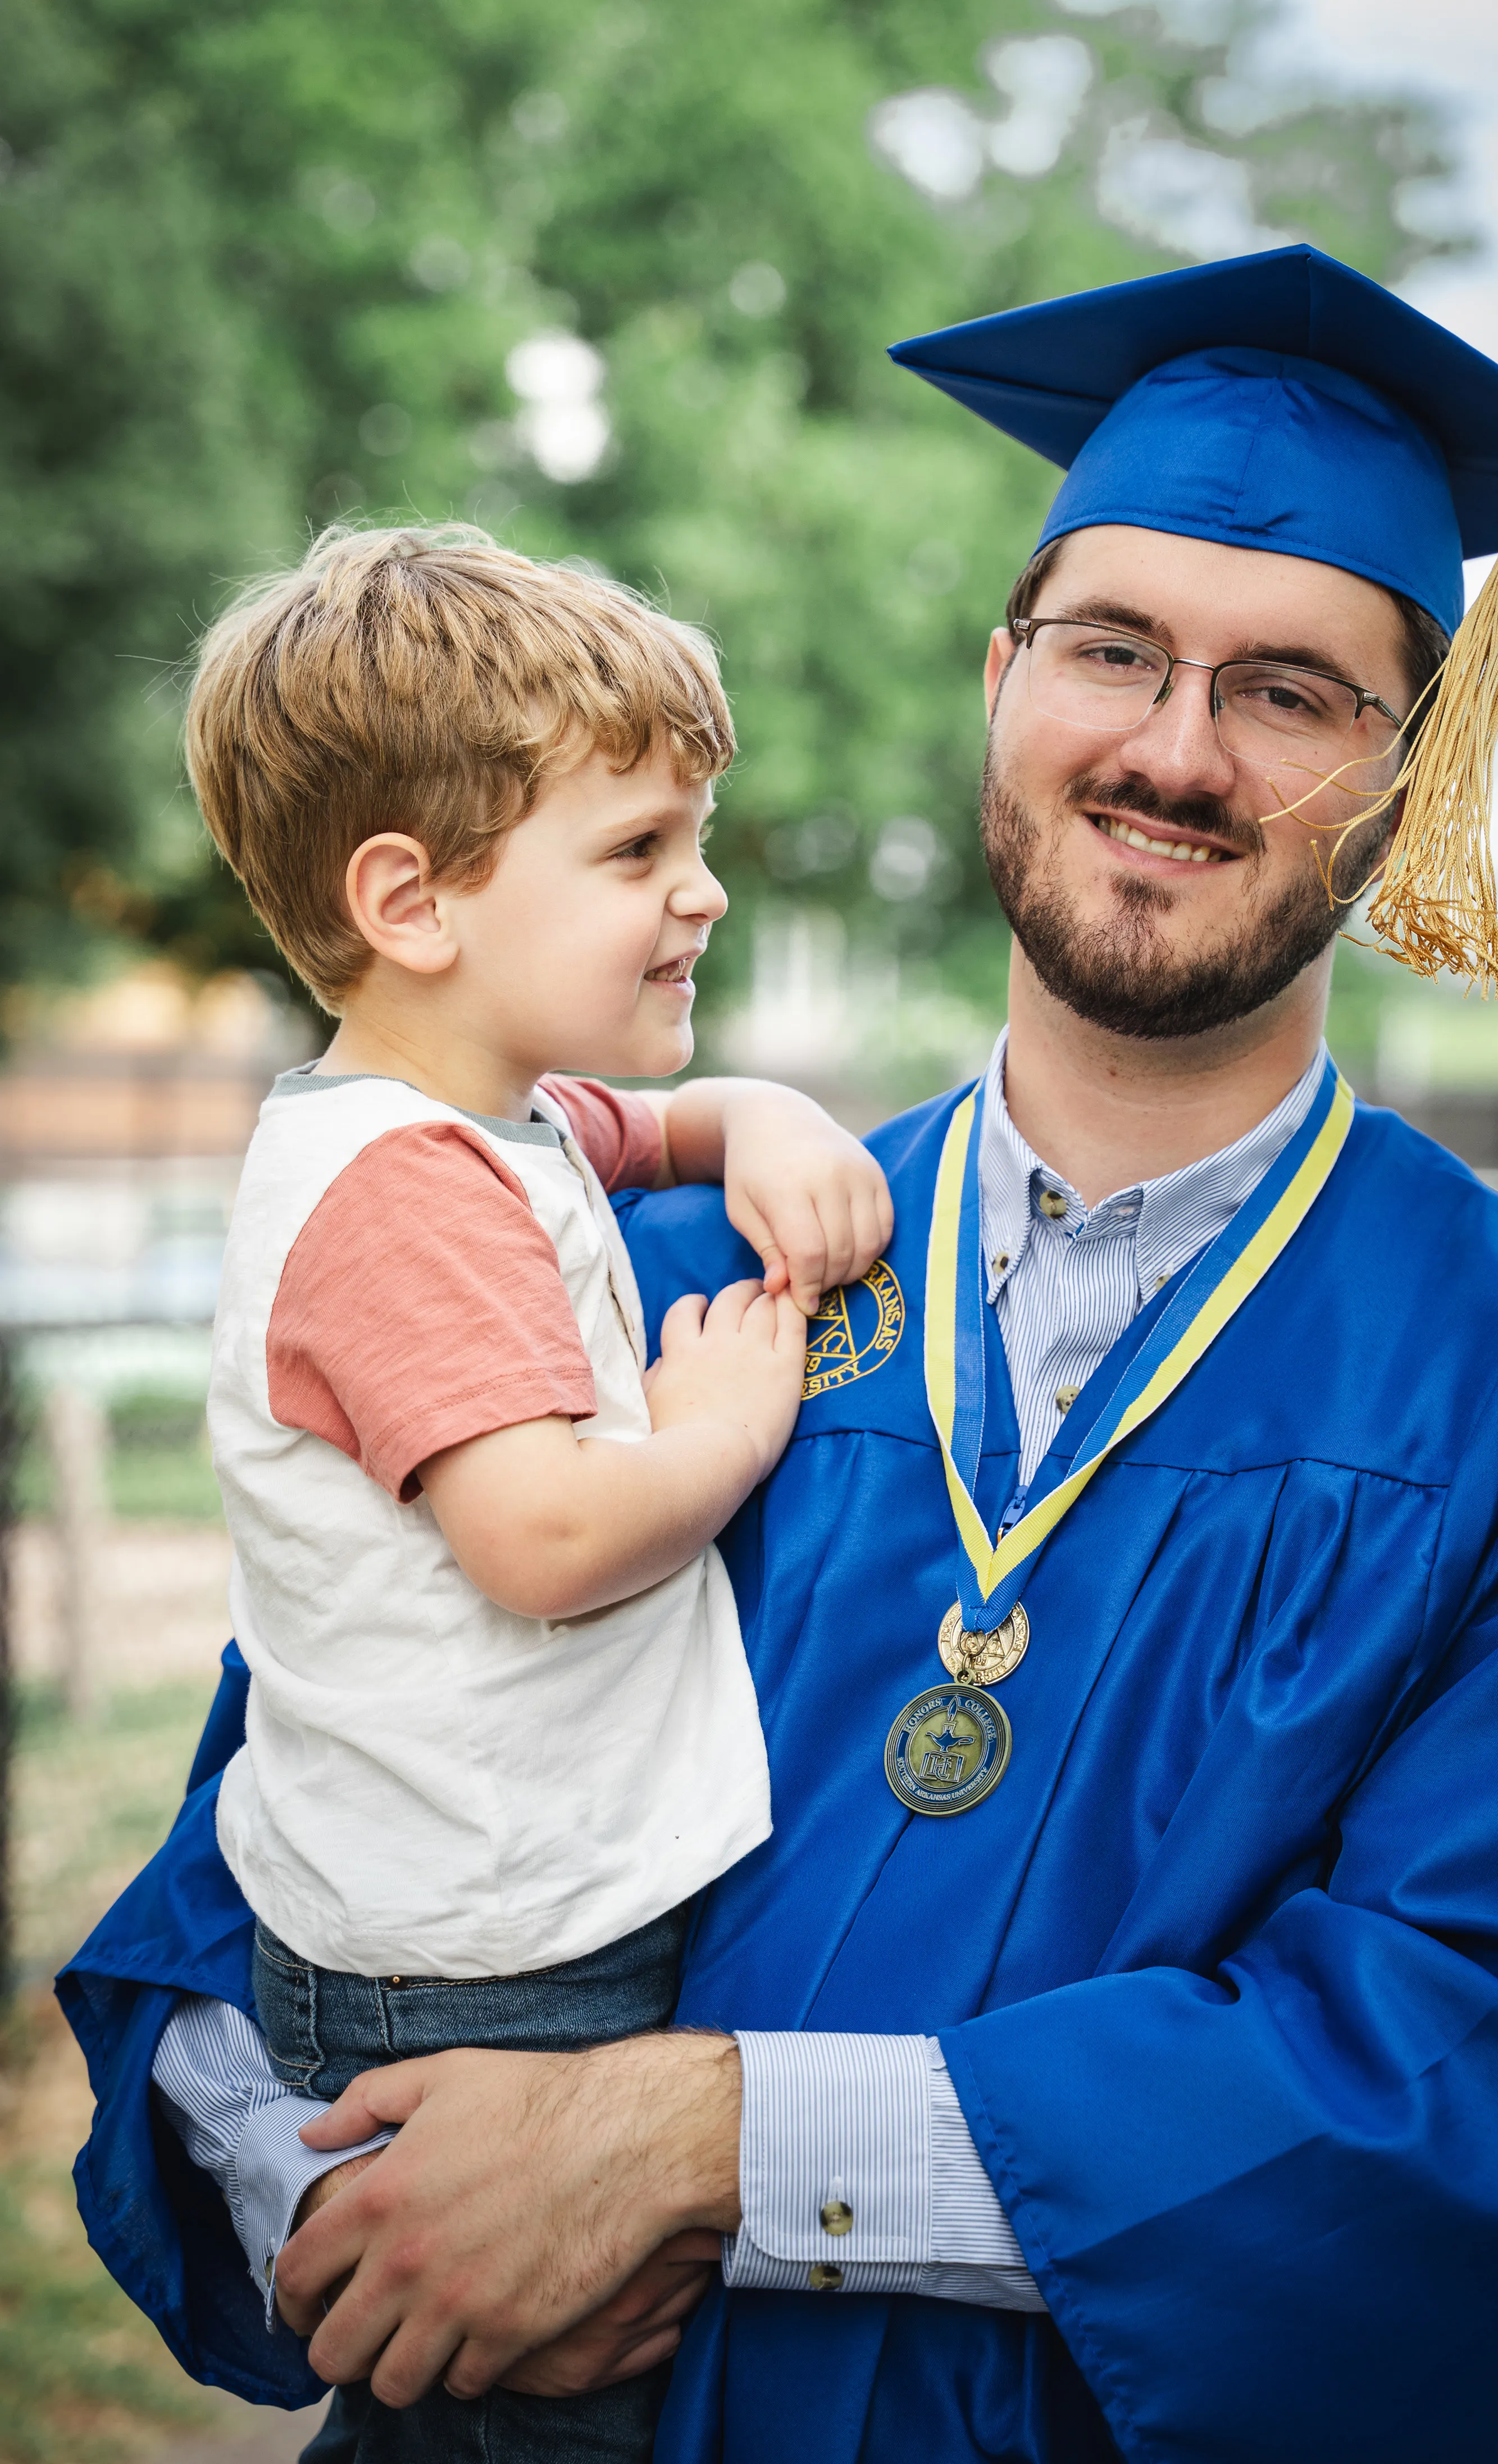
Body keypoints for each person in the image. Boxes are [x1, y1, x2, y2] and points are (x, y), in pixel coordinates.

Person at [63, 247, 1498, 2464]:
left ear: (1414, 766)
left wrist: (715, 2141)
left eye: (1289, 689)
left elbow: (1490, 2072)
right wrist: (350, 2196)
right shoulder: (611, 1250)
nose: (1171, 747)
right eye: (1114, 651)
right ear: (1000, 682)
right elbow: (266, 1835)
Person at [116, 526, 892, 2459]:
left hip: (507, 1918)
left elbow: (661, 1119)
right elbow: (539, 1539)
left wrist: (767, 1116)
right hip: (480, 1978)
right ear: (414, 901)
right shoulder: (394, 1194)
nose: (702, 891)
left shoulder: (494, 1114)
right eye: (638, 852)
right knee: (536, 2404)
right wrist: (724, 1419)